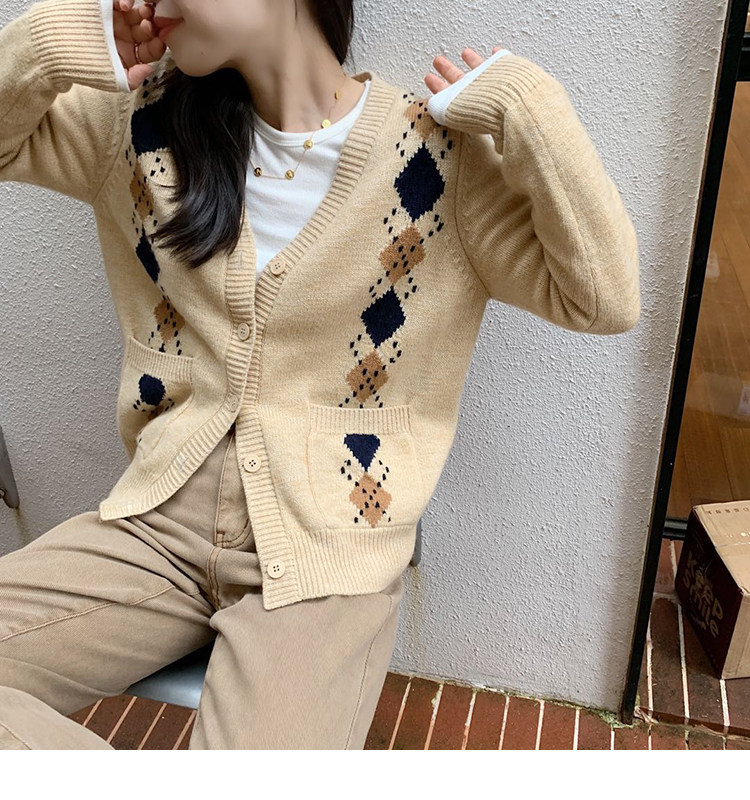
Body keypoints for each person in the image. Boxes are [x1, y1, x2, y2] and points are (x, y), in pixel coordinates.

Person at [0, 0, 641, 749]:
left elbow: (604, 298)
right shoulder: (140, 127)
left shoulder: (435, 164)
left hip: (330, 549)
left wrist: (531, 109)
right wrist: (53, 40)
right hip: (159, 522)